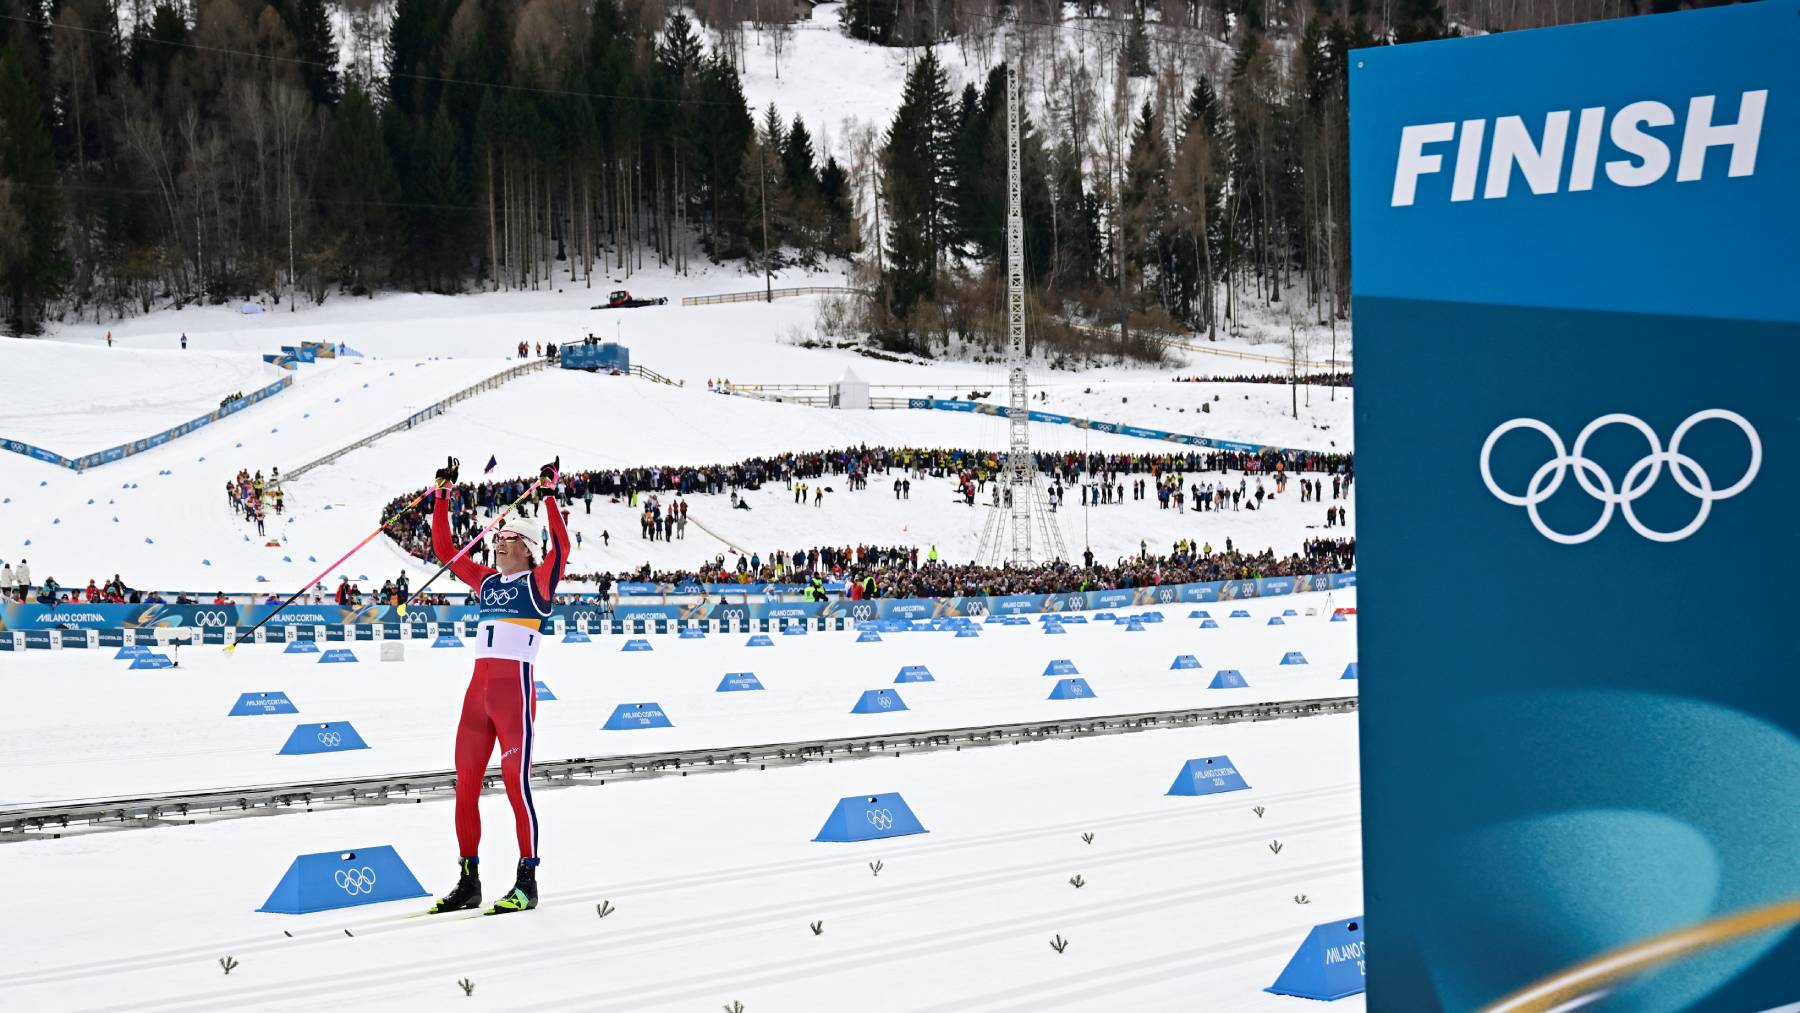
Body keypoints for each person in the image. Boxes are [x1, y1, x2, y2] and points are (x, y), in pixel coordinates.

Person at [427, 455, 568, 916]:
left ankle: (527, 880)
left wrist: (548, 497)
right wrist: (444, 495)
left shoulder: (538, 583)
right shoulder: (487, 583)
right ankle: (469, 880)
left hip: (513, 699)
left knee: (514, 786)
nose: (499, 542)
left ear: (527, 549)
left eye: (508, 538)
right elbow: (445, 547)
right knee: (464, 787)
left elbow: (561, 548)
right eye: (498, 538)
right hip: (476, 700)